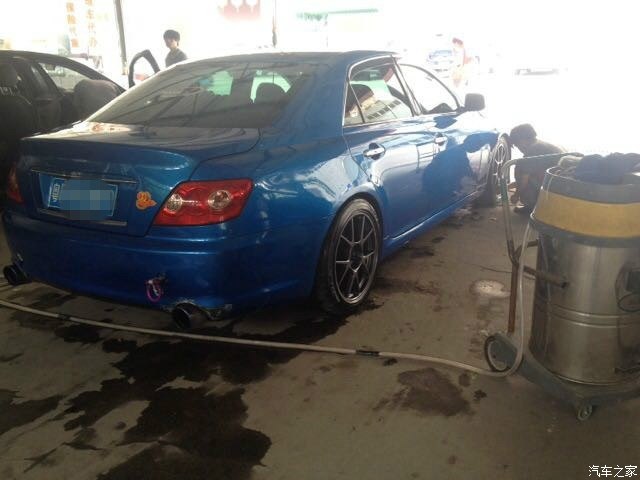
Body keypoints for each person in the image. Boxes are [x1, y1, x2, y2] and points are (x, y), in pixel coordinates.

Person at [509, 123, 565, 214]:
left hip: (554, 188)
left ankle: (531, 207)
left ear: (522, 141)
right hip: (561, 185)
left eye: (516, 145)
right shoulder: (541, 144)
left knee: (520, 168)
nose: (518, 148)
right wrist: (507, 186)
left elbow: (524, 180)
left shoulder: (532, 151)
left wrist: (516, 195)